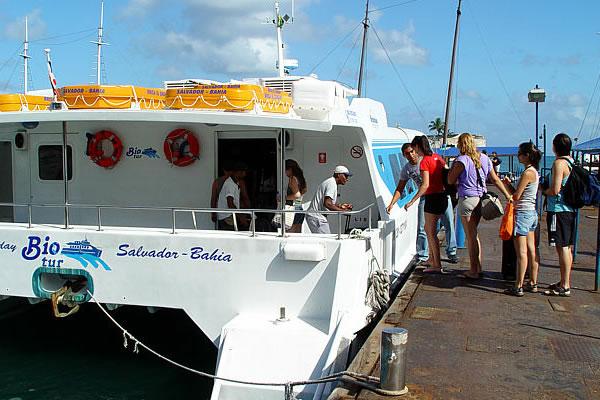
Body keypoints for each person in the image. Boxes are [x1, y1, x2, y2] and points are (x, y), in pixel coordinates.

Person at [448, 133, 511, 279]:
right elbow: (495, 179)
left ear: (460, 144)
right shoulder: (484, 158)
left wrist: (451, 169)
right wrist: (507, 195)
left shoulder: (461, 160)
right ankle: (478, 266)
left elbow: (450, 180)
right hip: (480, 200)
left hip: (468, 200)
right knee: (474, 235)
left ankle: (473, 270)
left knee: (470, 237)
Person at [386, 143, 457, 264]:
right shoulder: (406, 169)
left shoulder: (425, 161)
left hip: (440, 193)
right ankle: (422, 254)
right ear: (404, 155)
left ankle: (452, 252)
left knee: (449, 222)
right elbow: (400, 188)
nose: (411, 155)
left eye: (412, 151)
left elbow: (445, 172)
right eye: (407, 153)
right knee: (422, 227)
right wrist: (392, 203)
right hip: (425, 196)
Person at [404, 135, 447, 273]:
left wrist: (412, 201)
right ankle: (432, 260)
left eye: (414, 148)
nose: (414, 152)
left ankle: (437, 264)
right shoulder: (437, 157)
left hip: (432, 198)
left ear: (417, 146)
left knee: (430, 231)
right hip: (442, 196)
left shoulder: (424, 162)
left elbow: (425, 185)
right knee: (433, 230)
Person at [502, 142, 541, 296]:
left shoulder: (527, 173)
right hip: (531, 213)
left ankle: (518, 285)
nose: (518, 155)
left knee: (521, 253)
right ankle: (533, 282)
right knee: (532, 250)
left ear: (526, 156)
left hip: (522, 214)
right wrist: (509, 185)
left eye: (520, 153)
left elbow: (516, 196)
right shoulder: (534, 172)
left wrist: (507, 188)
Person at [542, 133, 576, 297]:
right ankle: (565, 281)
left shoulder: (558, 163)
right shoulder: (571, 162)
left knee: (561, 247)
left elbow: (555, 190)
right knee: (567, 247)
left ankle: (565, 285)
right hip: (570, 209)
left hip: (558, 210)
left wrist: (543, 190)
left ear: (555, 147)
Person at [306, 165, 353, 234]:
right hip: (317, 217)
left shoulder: (331, 182)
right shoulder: (332, 184)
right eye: (345, 176)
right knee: (326, 241)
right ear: (339, 175)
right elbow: (327, 204)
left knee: (325, 241)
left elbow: (328, 203)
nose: (347, 179)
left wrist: (341, 206)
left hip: (315, 216)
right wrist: (343, 211)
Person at [216, 162, 250, 231]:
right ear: (239, 172)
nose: (245, 174)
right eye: (244, 172)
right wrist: (241, 218)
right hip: (227, 217)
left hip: (229, 216)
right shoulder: (230, 184)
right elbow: (230, 203)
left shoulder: (235, 183)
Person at [285, 159, 308, 233]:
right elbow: (304, 190)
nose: (285, 172)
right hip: (299, 207)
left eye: (286, 170)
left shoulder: (293, 179)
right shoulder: (300, 178)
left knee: (290, 233)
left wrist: (285, 198)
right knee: (298, 233)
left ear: (290, 169)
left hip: (293, 208)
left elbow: (297, 195)